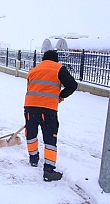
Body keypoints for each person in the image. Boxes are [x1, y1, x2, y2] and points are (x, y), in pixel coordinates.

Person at [24, 50, 77, 182]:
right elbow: (73, 85)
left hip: (30, 107)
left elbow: (30, 88)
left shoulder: (33, 70)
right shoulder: (58, 69)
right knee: (50, 140)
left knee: (31, 135)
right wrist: (61, 96)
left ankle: (33, 159)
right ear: (56, 59)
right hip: (48, 110)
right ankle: (48, 171)